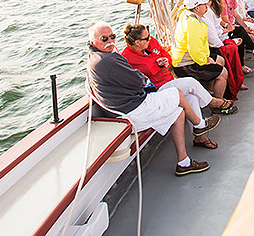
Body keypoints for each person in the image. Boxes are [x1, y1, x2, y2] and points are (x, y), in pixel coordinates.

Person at [87, 22, 217, 175]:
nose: (109, 41)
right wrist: (141, 78)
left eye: (112, 37)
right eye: (104, 38)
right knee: (177, 93)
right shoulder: (108, 61)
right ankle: (200, 124)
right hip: (133, 110)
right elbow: (138, 81)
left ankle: (184, 163)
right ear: (92, 41)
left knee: (178, 113)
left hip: (126, 107)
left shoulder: (97, 57)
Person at [120, 22, 238, 122]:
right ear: (137, 42)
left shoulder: (151, 42)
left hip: (168, 80)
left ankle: (200, 133)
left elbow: (166, 55)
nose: (150, 39)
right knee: (191, 83)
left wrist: (166, 61)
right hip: (157, 89)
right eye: (146, 38)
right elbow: (148, 72)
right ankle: (213, 102)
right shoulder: (127, 58)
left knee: (193, 98)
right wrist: (158, 63)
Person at [170, 0, 231, 99]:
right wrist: (205, 60)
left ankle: (210, 91)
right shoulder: (193, 24)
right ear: (197, 8)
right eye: (203, 5)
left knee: (220, 60)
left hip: (193, 58)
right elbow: (194, 48)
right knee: (222, 73)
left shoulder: (187, 14)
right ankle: (218, 104)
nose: (206, 6)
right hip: (185, 64)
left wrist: (208, 58)